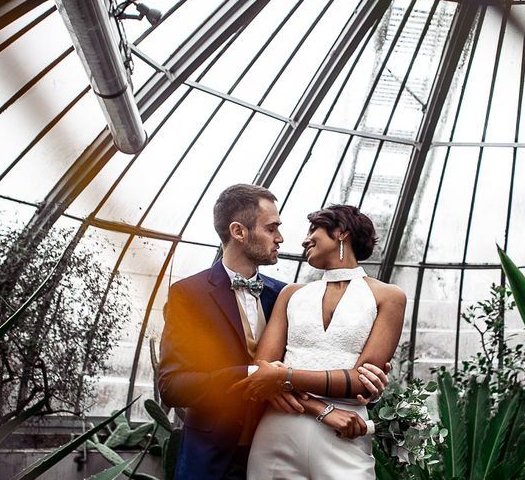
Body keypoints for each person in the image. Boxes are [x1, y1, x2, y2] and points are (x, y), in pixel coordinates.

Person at [157, 185, 389, 479]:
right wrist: (251, 375)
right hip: (211, 458)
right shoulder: (189, 295)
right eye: (271, 228)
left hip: (276, 443)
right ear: (239, 232)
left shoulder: (286, 296)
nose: (281, 238)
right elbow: (173, 386)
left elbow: (306, 367)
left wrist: (365, 381)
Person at [234, 205, 407, 479]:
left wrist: (284, 376)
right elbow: (262, 370)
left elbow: (362, 382)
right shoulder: (290, 294)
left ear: (341, 232)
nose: (304, 239)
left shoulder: (388, 296)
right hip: (278, 432)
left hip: (345, 431)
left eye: (313, 229)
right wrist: (321, 409)